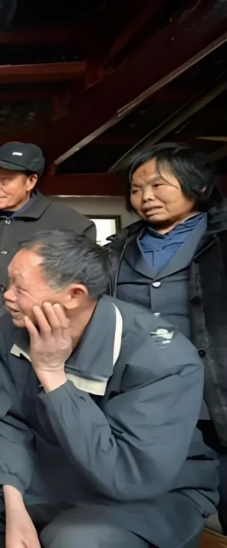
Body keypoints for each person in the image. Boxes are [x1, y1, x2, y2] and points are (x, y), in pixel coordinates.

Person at [0, 230, 218, 548]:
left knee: (73, 537)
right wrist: (15, 507)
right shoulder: (16, 327)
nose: (7, 296)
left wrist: (52, 375)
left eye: (20, 288)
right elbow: (6, 419)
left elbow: (128, 475)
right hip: (63, 467)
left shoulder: (162, 358)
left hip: (152, 490)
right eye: (7, 285)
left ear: (74, 295)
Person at [107, 143, 227, 528]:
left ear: (197, 185)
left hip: (214, 399)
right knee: (159, 510)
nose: (146, 197)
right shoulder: (118, 251)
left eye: (158, 185)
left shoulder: (220, 239)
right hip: (143, 402)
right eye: (137, 189)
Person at [0, 142, 95, 384]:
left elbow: (74, 287)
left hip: (41, 355)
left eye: (5, 180)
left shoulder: (71, 225)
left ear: (30, 181)